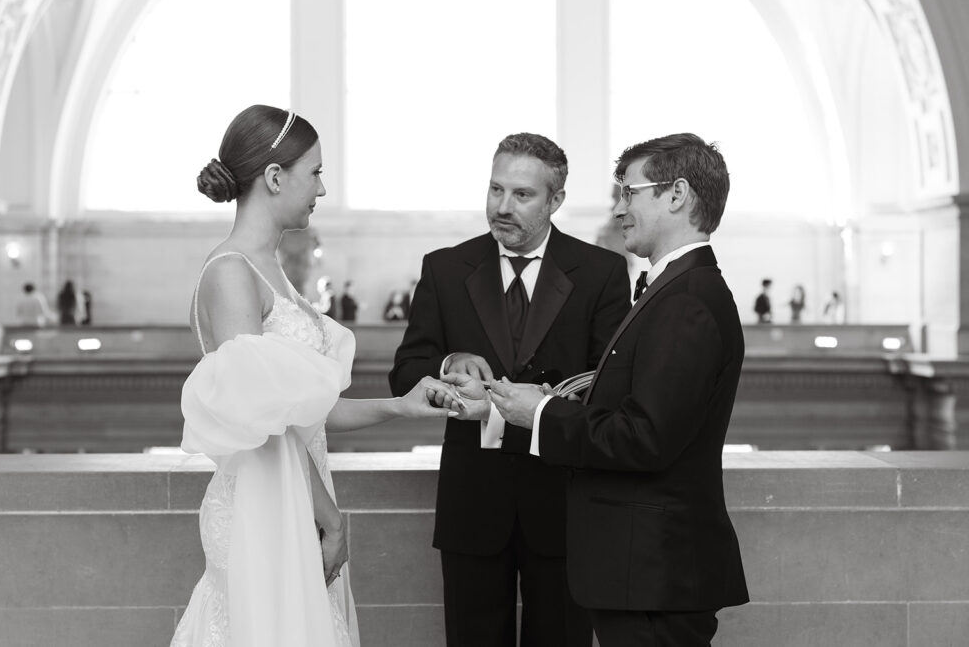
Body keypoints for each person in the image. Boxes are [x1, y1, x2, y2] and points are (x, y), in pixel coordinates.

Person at [172, 105, 460, 647]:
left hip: (293, 498)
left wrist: (402, 404)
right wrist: (328, 515)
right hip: (265, 507)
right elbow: (263, 420)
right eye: (316, 172)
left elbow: (306, 414)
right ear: (275, 177)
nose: (322, 189)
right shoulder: (232, 273)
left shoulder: (270, 269)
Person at [466, 133, 748, 646]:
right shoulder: (676, 289)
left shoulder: (687, 300)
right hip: (644, 572)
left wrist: (542, 413)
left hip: (654, 573)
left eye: (629, 193)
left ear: (677, 194)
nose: (619, 210)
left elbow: (645, 437)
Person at [390, 132, 631, 646]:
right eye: (496, 189)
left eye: (522, 195)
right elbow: (406, 370)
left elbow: (610, 388)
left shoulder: (602, 273)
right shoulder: (444, 268)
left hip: (563, 506)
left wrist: (543, 404)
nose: (502, 206)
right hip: (472, 504)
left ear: (555, 200)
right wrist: (448, 363)